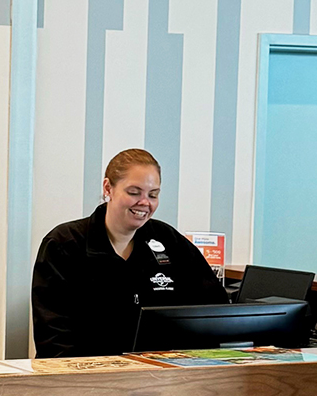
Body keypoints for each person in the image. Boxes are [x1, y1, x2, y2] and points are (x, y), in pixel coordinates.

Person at [32, 148, 228, 358]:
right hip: (86, 378)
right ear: (108, 188)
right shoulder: (64, 244)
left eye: (153, 195)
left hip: (161, 374)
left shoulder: (168, 241)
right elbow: (53, 339)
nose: (145, 202)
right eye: (134, 192)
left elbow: (215, 310)